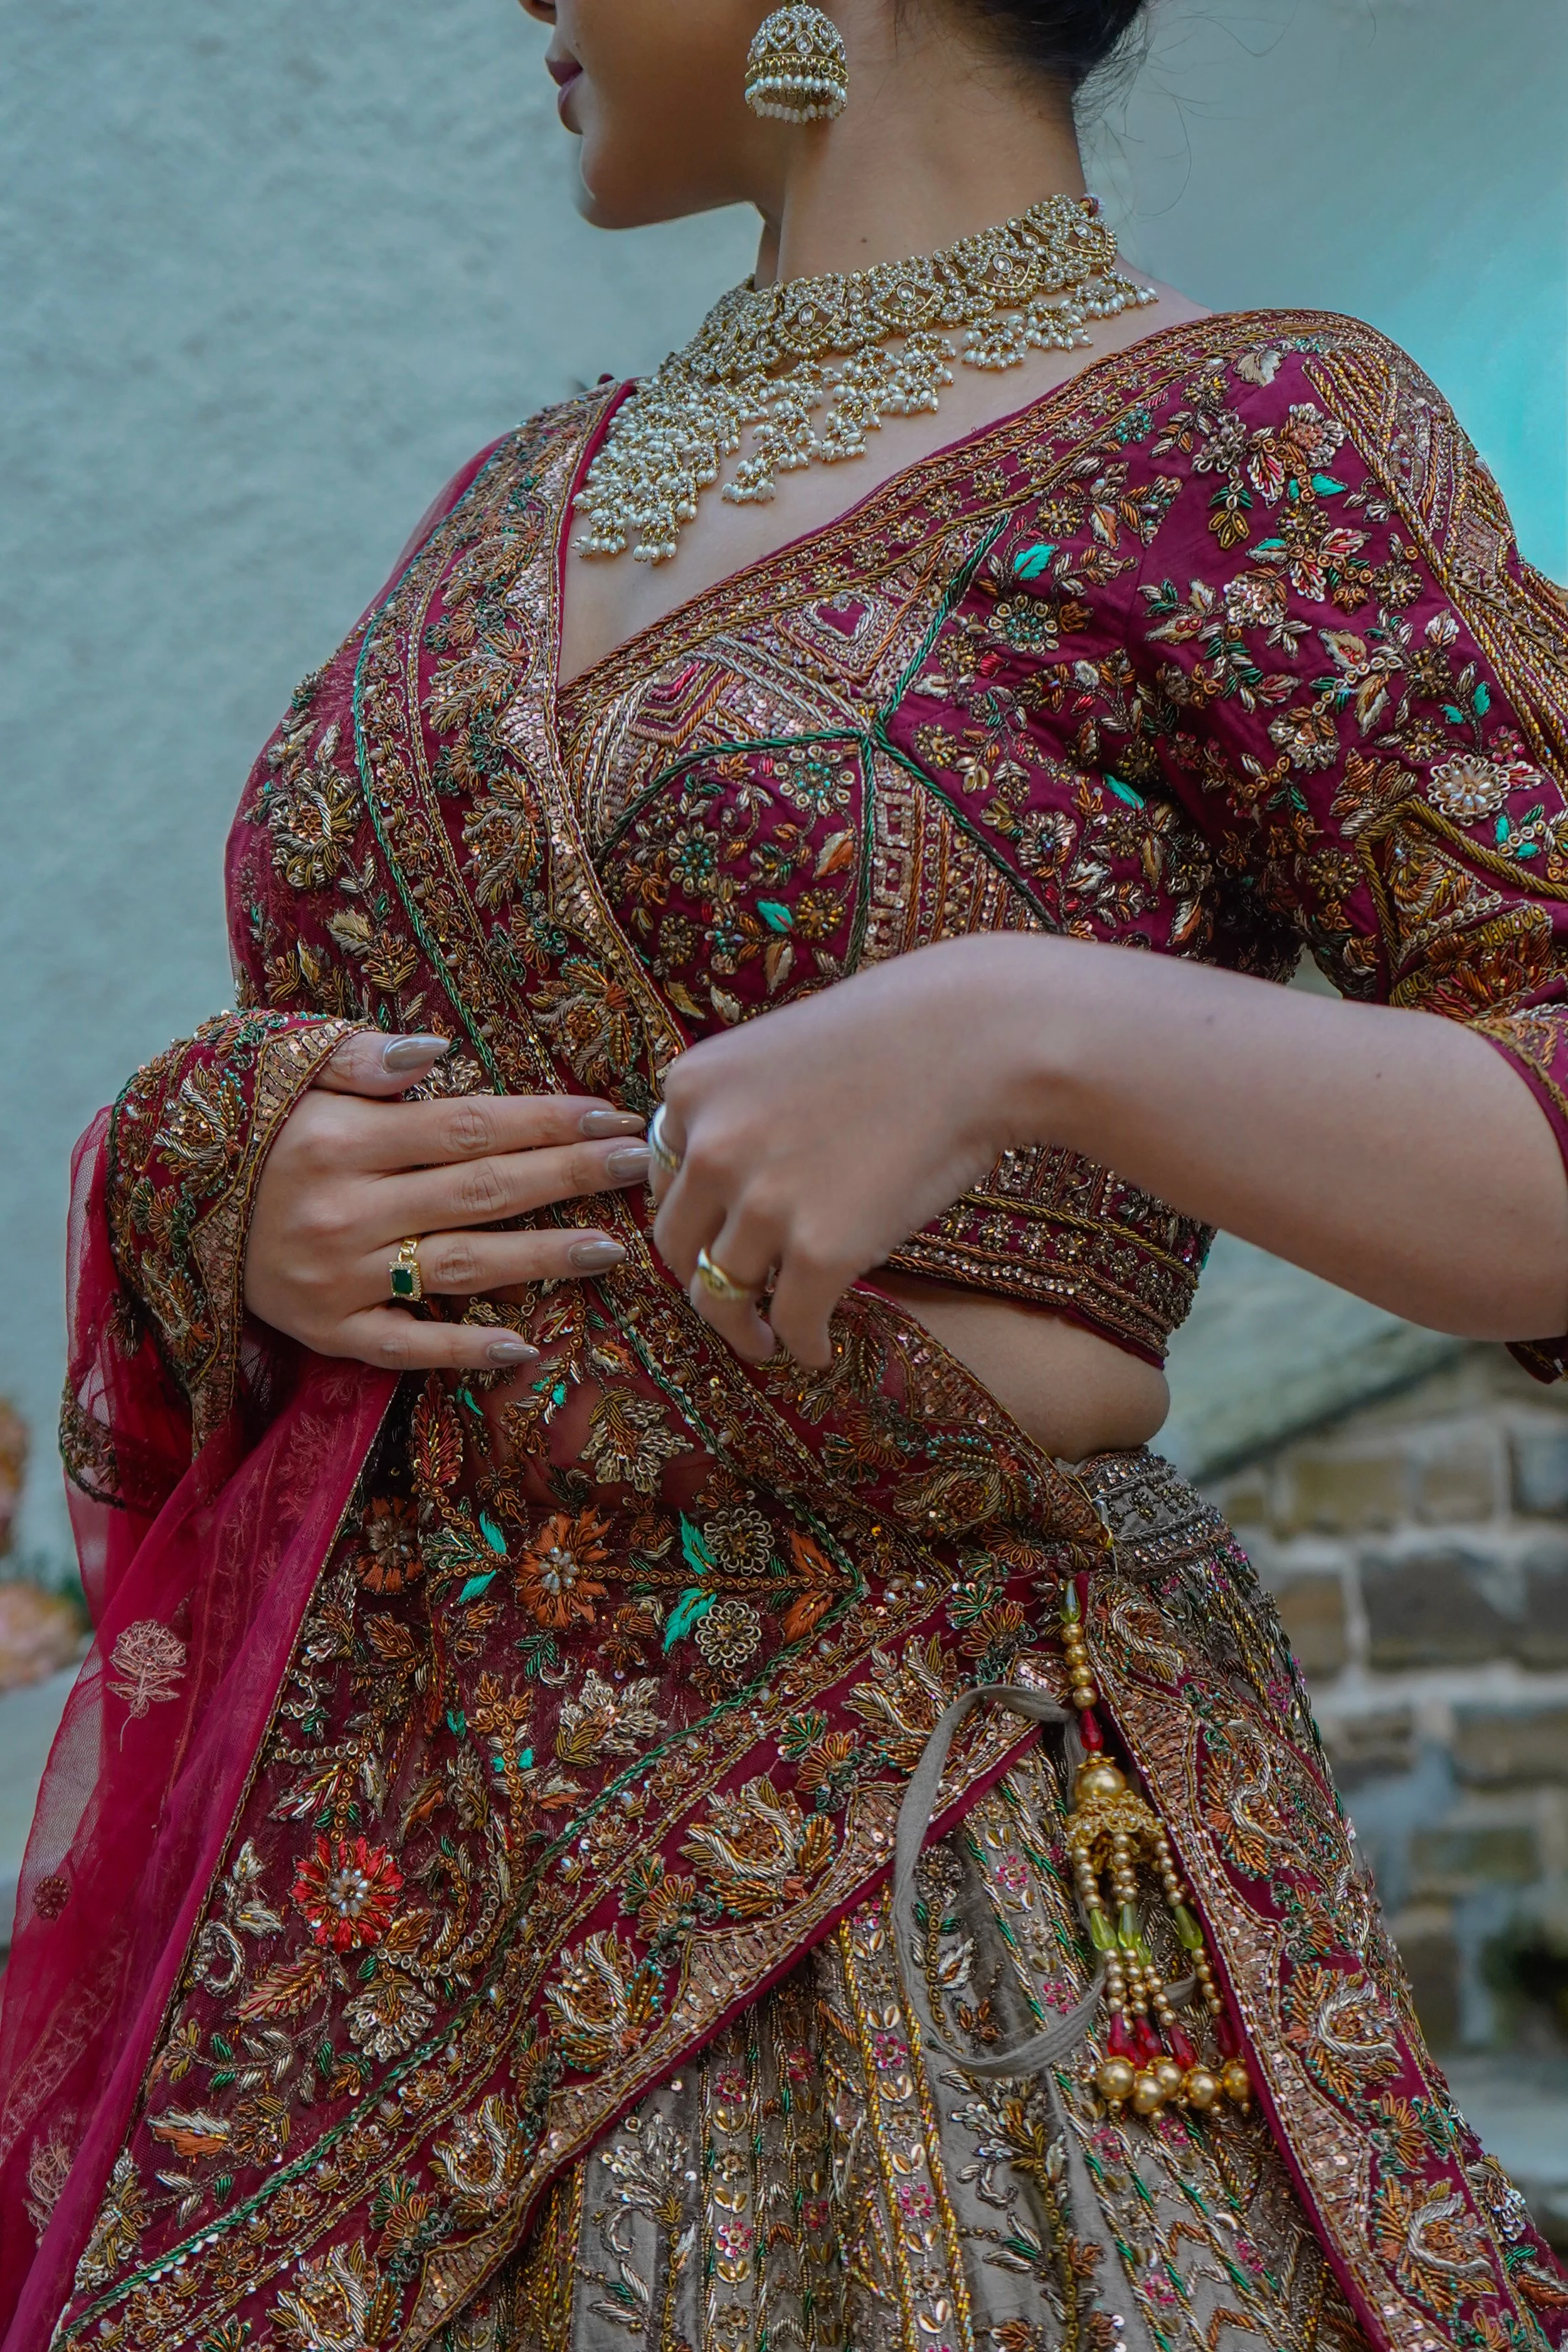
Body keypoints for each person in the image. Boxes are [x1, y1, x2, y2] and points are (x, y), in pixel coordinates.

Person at [4, 0, 1567, 2341]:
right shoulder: (517, 496)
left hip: (925, 1878)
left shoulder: (1243, 436)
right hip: (366, 1908)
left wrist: (1047, 1028)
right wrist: (235, 1182)